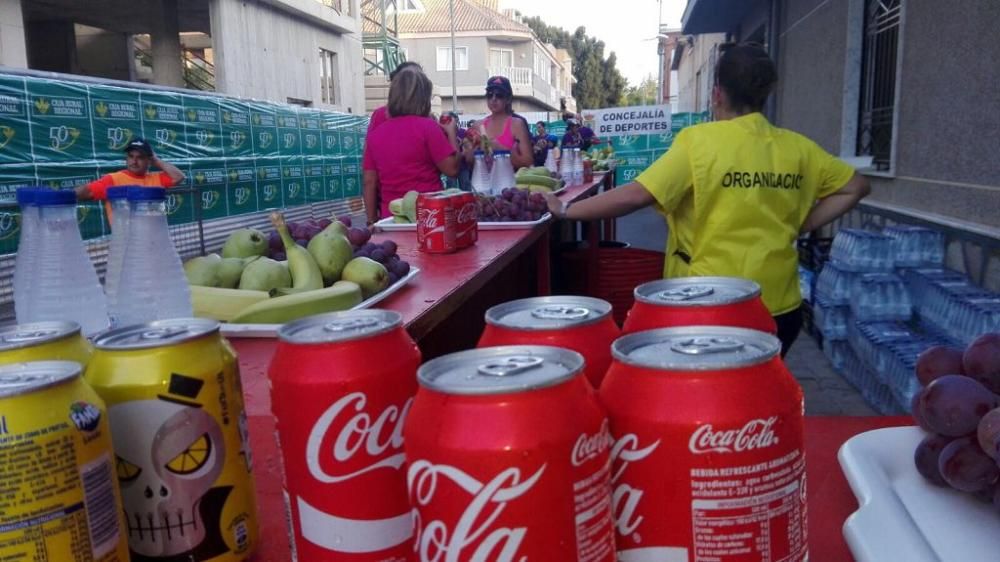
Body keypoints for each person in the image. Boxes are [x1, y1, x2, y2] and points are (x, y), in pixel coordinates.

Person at [543, 43, 870, 356]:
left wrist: (567, 209)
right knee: (755, 395)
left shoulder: (699, 142)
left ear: (717, 94)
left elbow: (637, 193)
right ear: (765, 95)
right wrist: (802, 223)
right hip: (778, 308)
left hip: (707, 305)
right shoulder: (799, 148)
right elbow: (854, 187)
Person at [363, 68, 460, 225]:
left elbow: (369, 181)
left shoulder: (376, 135)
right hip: (429, 216)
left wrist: (372, 221)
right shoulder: (428, 128)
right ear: (423, 98)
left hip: (393, 218)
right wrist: (451, 134)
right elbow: (452, 169)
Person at [76, 138, 185, 207]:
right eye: (131, 156)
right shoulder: (113, 179)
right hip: (126, 240)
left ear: (148, 160)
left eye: (140, 157)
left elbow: (179, 177)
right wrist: (65, 196)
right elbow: (86, 191)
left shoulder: (156, 178)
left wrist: (156, 160)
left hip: (152, 237)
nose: (134, 161)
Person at [463, 76, 533, 169]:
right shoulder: (478, 125)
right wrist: (473, 149)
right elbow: (469, 161)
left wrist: (498, 147)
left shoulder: (517, 124)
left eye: (499, 95)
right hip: (483, 181)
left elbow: (528, 162)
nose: (494, 99)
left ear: (508, 99)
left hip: (509, 181)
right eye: (490, 95)